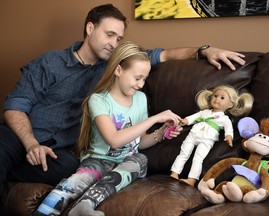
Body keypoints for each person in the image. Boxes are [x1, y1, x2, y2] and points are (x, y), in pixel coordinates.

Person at [0, 3, 246, 213]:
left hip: (61, 150)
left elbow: (164, 55)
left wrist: (204, 50)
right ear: (90, 28)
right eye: (109, 35)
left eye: (118, 38)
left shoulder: (118, 67)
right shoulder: (49, 62)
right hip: (21, 135)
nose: (113, 43)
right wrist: (31, 144)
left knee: (68, 168)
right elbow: (15, 107)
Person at [33, 41, 182, 216]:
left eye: (144, 79)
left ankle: (85, 205)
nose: (141, 84)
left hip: (127, 162)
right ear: (118, 70)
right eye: (137, 78)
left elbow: (140, 143)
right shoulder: (98, 100)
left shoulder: (140, 99)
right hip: (98, 160)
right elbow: (114, 140)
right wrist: (155, 119)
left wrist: (161, 132)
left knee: (140, 159)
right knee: (72, 185)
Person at [170, 85, 254, 186]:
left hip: (207, 139)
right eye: (215, 96)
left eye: (222, 98)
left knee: (198, 158)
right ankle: (174, 173)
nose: (217, 99)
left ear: (230, 105)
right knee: (183, 153)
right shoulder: (204, 112)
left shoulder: (224, 119)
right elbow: (194, 117)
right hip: (193, 134)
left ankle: (192, 179)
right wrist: (186, 121)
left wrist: (229, 137)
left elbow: (229, 128)